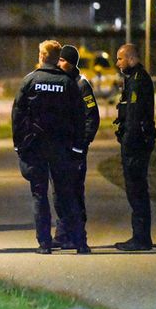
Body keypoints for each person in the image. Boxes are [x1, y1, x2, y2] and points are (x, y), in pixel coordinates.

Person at [12, 40, 87, 254]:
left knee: (39, 194)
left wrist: (19, 145)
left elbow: (18, 115)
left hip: (35, 147)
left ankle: (44, 244)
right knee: (67, 194)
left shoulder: (30, 81)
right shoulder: (68, 82)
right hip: (61, 147)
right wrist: (78, 147)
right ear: (57, 57)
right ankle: (80, 243)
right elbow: (79, 117)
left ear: (42, 56)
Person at [54, 44, 99, 251]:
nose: (59, 63)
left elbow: (92, 117)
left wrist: (83, 143)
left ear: (71, 63)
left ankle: (78, 235)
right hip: (60, 148)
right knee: (59, 192)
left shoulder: (81, 85)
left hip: (76, 149)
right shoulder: (60, 83)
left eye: (63, 60)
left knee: (75, 192)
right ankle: (63, 234)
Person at [113, 43, 156, 250]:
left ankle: (141, 238)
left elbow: (135, 115)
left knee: (136, 189)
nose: (117, 63)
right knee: (134, 189)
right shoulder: (132, 79)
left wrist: (129, 141)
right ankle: (140, 236)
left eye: (120, 59)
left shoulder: (139, 81)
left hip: (136, 143)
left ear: (131, 58)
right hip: (133, 142)